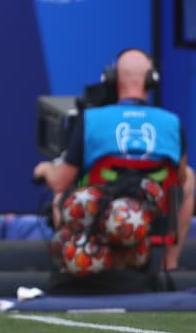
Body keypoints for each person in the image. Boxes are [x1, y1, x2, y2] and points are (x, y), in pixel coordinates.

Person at [33, 48, 194, 272]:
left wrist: (46, 169)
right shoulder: (171, 123)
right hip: (149, 210)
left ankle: (73, 261)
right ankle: (170, 265)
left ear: (111, 79)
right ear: (151, 81)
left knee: (62, 192)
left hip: (97, 213)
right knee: (190, 180)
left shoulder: (92, 120)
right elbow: (180, 177)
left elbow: (61, 181)